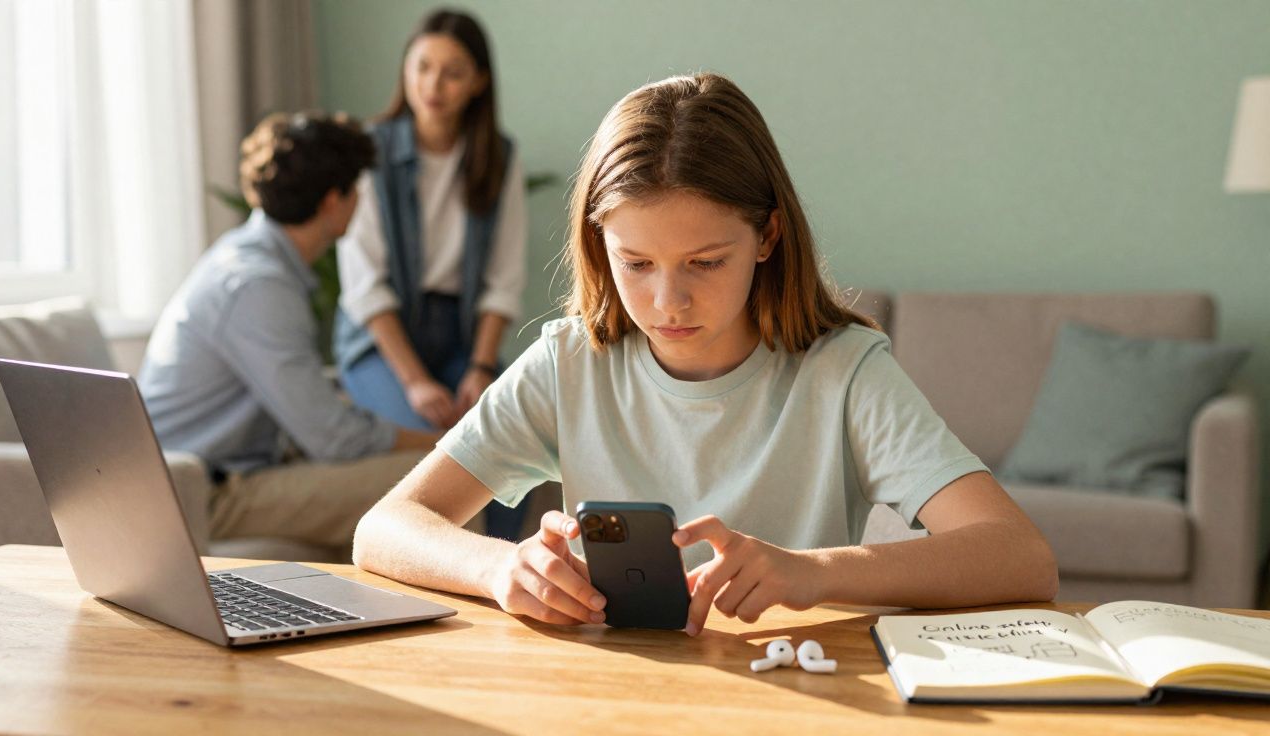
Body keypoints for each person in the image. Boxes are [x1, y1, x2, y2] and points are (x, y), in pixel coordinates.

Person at [351, 73, 1059, 635]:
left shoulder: (844, 371)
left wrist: (813, 572)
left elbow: (1020, 555)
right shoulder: (569, 363)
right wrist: (499, 569)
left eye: (706, 262)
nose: (669, 302)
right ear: (600, 245)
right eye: (636, 264)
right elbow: (383, 528)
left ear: (768, 236)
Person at [139, 112, 439, 556]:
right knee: (438, 481)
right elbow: (335, 439)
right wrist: (445, 442)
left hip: (218, 470)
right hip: (197, 492)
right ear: (333, 201)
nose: (361, 198)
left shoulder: (245, 259)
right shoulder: (258, 286)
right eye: (356, 189)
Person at [333, 8, 530, 541]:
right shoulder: (370, 151)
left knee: (511, 441)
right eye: (422, 67)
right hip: (382, 341)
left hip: (462, 337)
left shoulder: (499, 157)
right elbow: (366, 287)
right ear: (405, 69)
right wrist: (415, 381)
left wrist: (481, 366)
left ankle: (500, 566)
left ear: (479, 82)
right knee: (441, 452)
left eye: (452, 72)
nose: (433, 85)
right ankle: (441, 571)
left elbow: (503, 279)